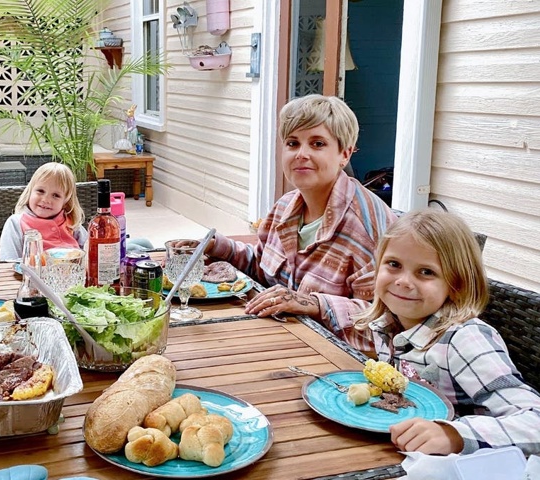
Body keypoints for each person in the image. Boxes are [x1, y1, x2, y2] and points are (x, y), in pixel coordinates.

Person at [199, 94, 396, 351]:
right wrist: (216, 246)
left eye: (317, 144)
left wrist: (313, 303)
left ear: (344, 154)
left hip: (335, 364)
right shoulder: (285, 206)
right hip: (279, 340)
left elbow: (386, 322)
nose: (301, 154)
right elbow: (261, 269)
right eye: (293, 143)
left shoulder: (365, 226)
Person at [352, 210, 540, 455]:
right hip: (399, 452)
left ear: (457, 285)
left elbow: (534, 422)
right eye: (394, 264)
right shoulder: (386, 325)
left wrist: (453, 435)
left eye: (426, 272)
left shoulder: (464, 339)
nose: (403, 281)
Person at [0, 162, 88, 260]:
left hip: (74, 273)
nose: (46, 200)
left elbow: (90, 249)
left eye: (56, 195)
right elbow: (8, 261)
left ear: (65, 202)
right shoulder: (16, 223)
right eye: (40, 191)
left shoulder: (71, 223)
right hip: (34, 274)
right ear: (30, 192)